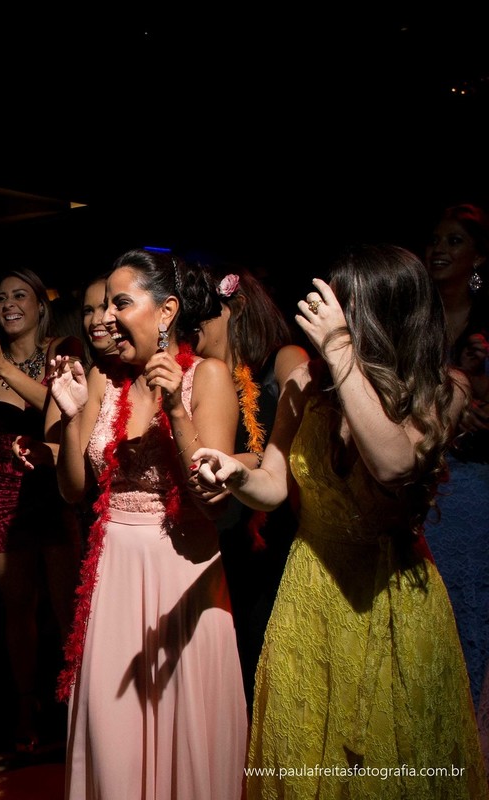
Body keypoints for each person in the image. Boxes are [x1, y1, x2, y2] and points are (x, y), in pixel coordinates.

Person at [194, 244, 487, 797]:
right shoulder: (306, 383)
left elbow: (394, 462)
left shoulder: (443, 390)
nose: (328, 315)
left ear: (383, 312)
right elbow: (275, 486)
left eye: (343, 306)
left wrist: (338, 349)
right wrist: (234, 473)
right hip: (312, 594)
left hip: (392, 599)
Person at [51, 248, 245, 799]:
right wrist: (70, 422)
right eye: (104, 305)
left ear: (165, 313)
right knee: (114, 733)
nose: (105, 318)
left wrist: (176, 413)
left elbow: (214, 503)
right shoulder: (102, 379)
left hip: (179, 576)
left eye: (121, 302)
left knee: (183, 732)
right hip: (112, 577)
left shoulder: (206, 376)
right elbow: (72, 490)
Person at [0, 267, 84, 753]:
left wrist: (3, 371)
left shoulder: (61, 350)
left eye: (19, 295)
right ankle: (26, 706)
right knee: (18, 611)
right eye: (1, 297)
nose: (9, 304)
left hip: (51, 487)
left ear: (38, 305)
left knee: (65, 606)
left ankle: (74, 701)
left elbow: (59, 405)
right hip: (4, 494)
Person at [182, 263, 308, 711]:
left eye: (205, 317)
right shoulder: (196, 374)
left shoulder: (283, 358)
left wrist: (242, 461)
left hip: (272, 525)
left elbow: (296, 436)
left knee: (265, 650)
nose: (193, 328)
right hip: (216, 526)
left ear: (235, 308)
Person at [422, 204, 489, 753]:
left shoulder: (488, 327)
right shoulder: (415, 319)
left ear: (478, 256)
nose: (440, 248)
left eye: (455, 239)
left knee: (463, 601)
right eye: (435, 239)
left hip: (470, 481)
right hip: (415, 477)